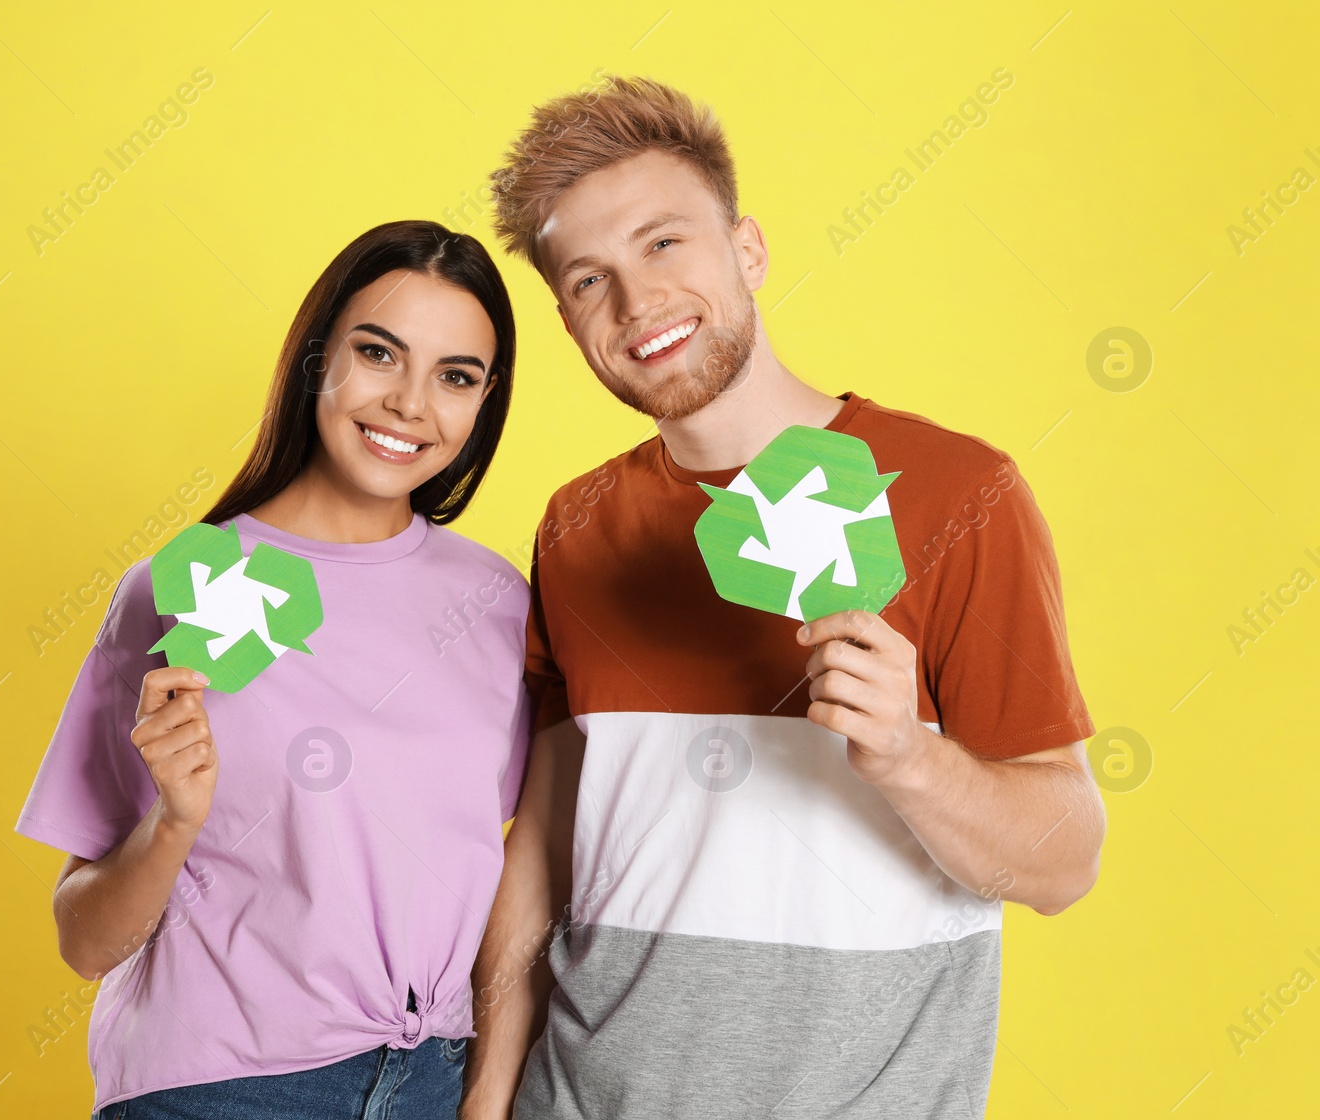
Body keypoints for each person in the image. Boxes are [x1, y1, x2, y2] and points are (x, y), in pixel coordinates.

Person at [458, 77, 1106, 1120]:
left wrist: (908, 753)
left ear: (746, 250)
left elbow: (1063, 861)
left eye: (664, 243)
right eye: (588, 280)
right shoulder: (576, 528)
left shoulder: (958, 494)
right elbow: (540, 845)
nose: (636, 304)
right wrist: (487, 1101)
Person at [14, 219, 531, 1119]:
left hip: (435, 1085)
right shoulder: (176, 592)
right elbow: (84, 943)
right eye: (379, 353)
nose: (410, 403)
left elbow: (520, 869)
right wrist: (175, 820)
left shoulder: (497, 602)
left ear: (484, 402)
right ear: (317, 359)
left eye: (456, 377)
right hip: (223, 1087)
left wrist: (485, 1089)